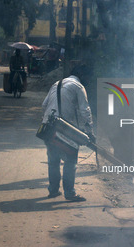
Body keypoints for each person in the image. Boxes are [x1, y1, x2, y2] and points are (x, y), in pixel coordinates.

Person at [42, 64, 94, 202]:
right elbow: (85, 111)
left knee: (53, 161)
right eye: (88, 76)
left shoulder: (57, 83)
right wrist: (89, 131)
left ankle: (53, 190)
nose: (88, 79)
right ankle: (70, 193)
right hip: (65, 128)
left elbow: (44, 104)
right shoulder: (78, 86)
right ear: (82, 75)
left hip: (49, 128)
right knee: (70, 161)